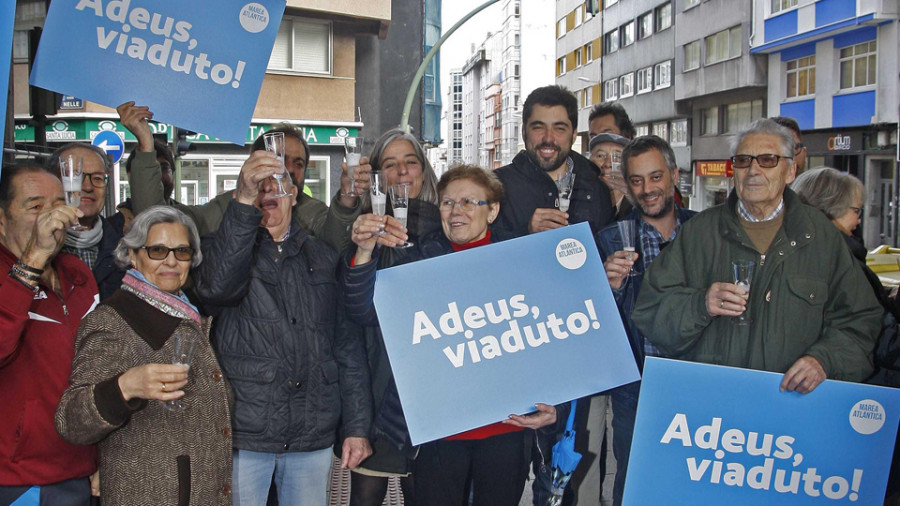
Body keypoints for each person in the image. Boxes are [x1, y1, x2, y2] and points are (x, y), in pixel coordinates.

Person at [344, 164, 564, 506]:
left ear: (492, 211)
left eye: (468, 202)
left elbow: (552, 335)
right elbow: (364, 312)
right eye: (447, 203)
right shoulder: (418, 256)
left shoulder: (523, 257)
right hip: (439, 433)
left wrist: (556, 404)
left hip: (507, 429)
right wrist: (364, 252)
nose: (456, 211)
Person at [633, 119, 881, 394]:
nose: (753, 170)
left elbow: (861, 319)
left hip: (789, 408)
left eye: (767, 160)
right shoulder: (698, 233)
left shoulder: (821, 236)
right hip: (712, 408)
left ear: (790, 171)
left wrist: (824, 360)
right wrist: (700, 304)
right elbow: (649, 310)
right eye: (743, 160)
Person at [191, 151, 372, 505]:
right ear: (240, 197)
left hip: (311, 432)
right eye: (257, 187)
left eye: (279, 185)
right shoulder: (221, 250)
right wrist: (243, 206)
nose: (268, 192)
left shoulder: (322, 256)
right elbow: (216, 289)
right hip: (244, 434)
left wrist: (357, 427)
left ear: (294, 197)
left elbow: (347, 347)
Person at [55, 206, 232, 505]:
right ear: (133, 255)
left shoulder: (188, 313)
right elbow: (70, 420)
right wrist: (125, 387)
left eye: (182, 251)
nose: (172, 261)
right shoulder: (113, 321)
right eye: (158, 250)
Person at [596, 136, 697, 506]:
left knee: (695, 479)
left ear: (673, 176)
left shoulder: (706, 232)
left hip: (698, 381)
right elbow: (593, 325)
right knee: (636, 479)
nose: (647, 189)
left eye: (655, 177)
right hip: (638, 387)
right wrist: (609, 289)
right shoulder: (609, 240)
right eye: (636, 180)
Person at [117, 101, 362, 252]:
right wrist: (146, 145)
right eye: (280, 158)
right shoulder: (227, 208)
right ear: (255, 162)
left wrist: (348, 198)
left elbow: (335, 243)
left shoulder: (312, 212)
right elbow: (155, 220)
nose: (287, 169)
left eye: (298, 163)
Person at [0, 164, 97, 505]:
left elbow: (98, 367)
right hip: (18, 478)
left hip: (81, 470)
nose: (51, 216)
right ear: (1, 220)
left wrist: (104, 453)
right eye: (35, 206)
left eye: (58, 203)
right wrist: (34, 258)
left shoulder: (77, 273)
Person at [493, 85, 613, 240]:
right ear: (524, 132)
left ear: (574, 134)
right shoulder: (495, 188)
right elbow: (480, 256)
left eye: (559, 129)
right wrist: (525, 233)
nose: (548, 138)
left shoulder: (596, 188)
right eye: (538, 127)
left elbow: (605, 254)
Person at [47, 144, 124, 300]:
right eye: (75, 176)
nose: (88, 187)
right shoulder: (33, 244)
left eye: (97, 178)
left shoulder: (125, 248)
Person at [589, 132, 633, 220]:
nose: (608, 164)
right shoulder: (579, 204)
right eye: (600, 156)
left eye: (617, 157)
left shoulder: (638, 207)